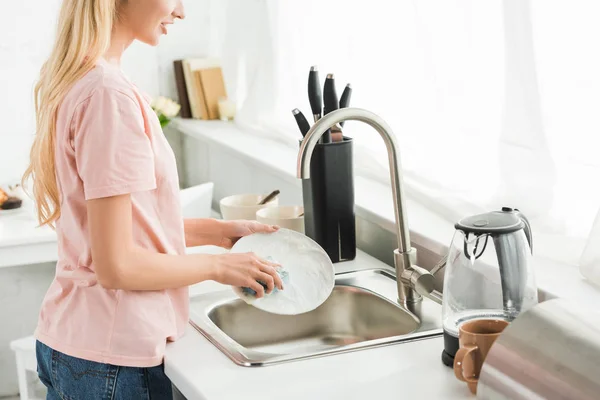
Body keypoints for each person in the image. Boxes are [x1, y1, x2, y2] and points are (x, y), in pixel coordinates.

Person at [24, 1, 284, 398]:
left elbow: (121, 235)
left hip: (76, 342)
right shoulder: (108, 96)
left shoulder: (86, 80)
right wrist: (218, 266)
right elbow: (117, 266)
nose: (181, 12)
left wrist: (218, 232)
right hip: (112, 358)